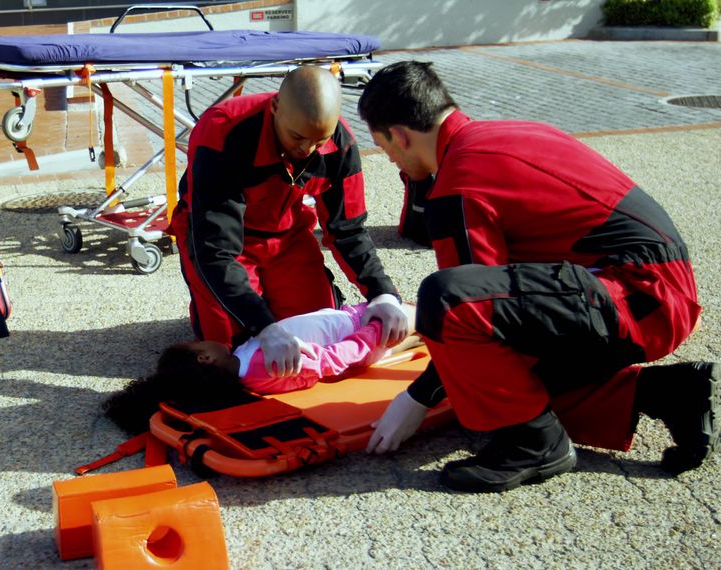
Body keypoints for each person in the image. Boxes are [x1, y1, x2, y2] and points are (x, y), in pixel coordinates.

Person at [357, 61, 717, 493]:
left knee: (446, 302)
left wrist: (417, 397)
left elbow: (463, 308)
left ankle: (535, 444)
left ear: (399, 134)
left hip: (634, 297)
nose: (390, 158)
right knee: (511, 381)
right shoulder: (507, 133)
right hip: (657, 288)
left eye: (383, 146)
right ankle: (671, 393)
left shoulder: (458, 184)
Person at [168, 65, 409, 382]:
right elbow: (215, 251)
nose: (306, 149)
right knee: (232, 351)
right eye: (297, 137)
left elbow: (348, 230)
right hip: (222, 239)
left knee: (317, 329)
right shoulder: (224, 133)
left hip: (286, 233)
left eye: (318, 140)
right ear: (275, 108)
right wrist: (264, 328)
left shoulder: (341, 145)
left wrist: (383, 295)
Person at [103, 303, 391, 434]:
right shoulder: (264, 367)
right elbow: (332, 360)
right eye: (199, 343)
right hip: (360, 326)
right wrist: (374, 330)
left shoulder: (243, 362)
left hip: (351, 320)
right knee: (425, 312)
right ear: (205, 359)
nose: (205, 340)